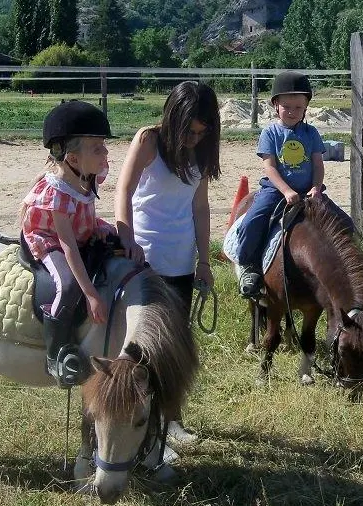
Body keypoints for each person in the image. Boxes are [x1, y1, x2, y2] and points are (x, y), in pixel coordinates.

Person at [115, 80, 221, 442]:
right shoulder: (148, 140)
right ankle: (145, 430)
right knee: (145, 352)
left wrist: (204, 261)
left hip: (181, 265)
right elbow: (124, 190)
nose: (196, 137)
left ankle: (170, 422)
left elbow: (200, 207)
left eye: (203, 131)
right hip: (144, 264)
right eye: (190, 131)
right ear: (174, 119)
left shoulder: (201, 153)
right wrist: (126, 237)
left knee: (174, 349)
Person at [21, 100, 114, 388]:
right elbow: (68, 246)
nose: (106, 152)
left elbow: (86, 212)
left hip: (81, 228)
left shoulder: (88, 174)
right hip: (49, 238)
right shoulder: (57, 193)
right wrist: (92, 295)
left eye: (104, 146)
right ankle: (57, 354)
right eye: (97, 148)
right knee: (68, 285)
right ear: (73, 160)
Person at [234, 71, 351, 296]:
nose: (292, 112)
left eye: (298, 107)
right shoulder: (271, 132)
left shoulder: (311, 133)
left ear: (306, 107)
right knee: (253, 220)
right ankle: (249, 266)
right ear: (276, 105)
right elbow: (269, 166)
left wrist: (316, 187)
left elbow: (318, 164)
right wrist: (286, 190)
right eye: (286, 106)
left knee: (345, 223)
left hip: (308, 191)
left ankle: (343, 270)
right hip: (277, 190)